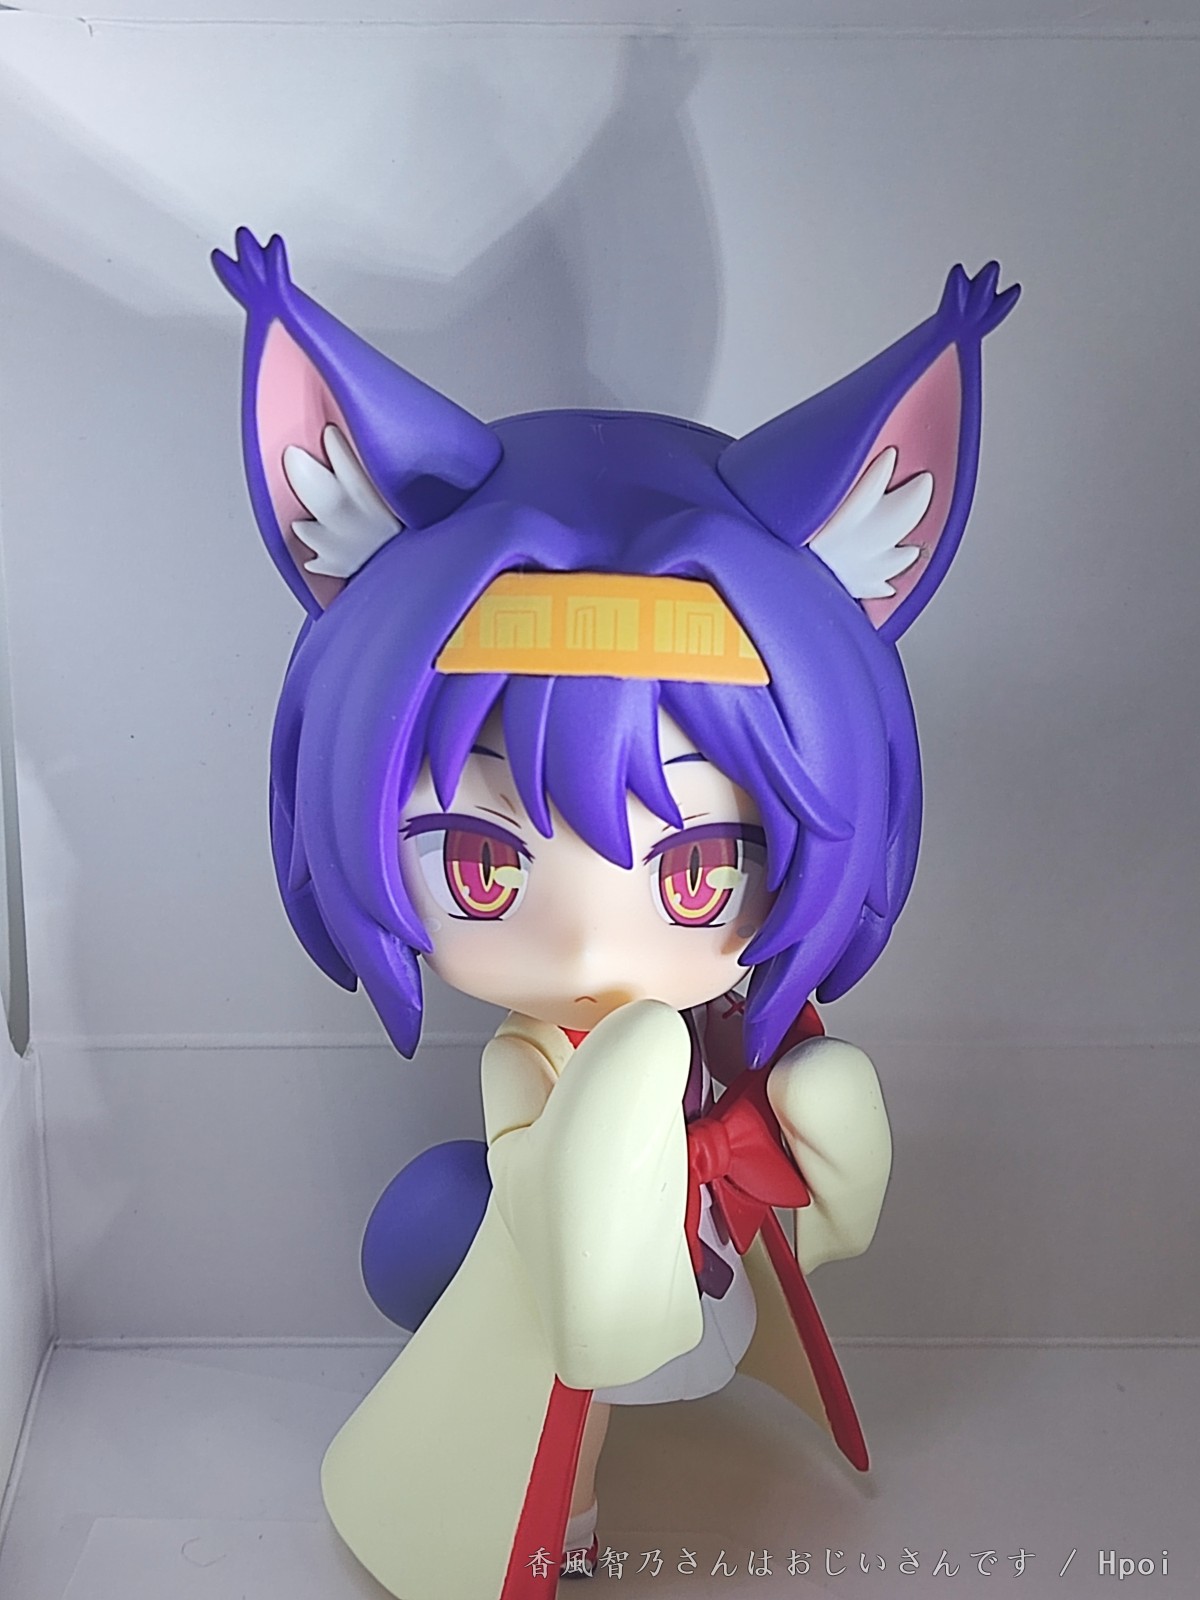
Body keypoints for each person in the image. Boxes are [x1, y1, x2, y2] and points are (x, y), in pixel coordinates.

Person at [213, 230, 1017, 1600]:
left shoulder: (730, 1032)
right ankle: (564, 1516)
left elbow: (806, 1197)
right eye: (483, 866)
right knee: (553, 1410)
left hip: (704, 1281)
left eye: (695, 873)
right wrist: (614, 1119)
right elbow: (569, 1259)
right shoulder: (531, 1061)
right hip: (565, 1295)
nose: (591, 949)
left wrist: (823, 1136)